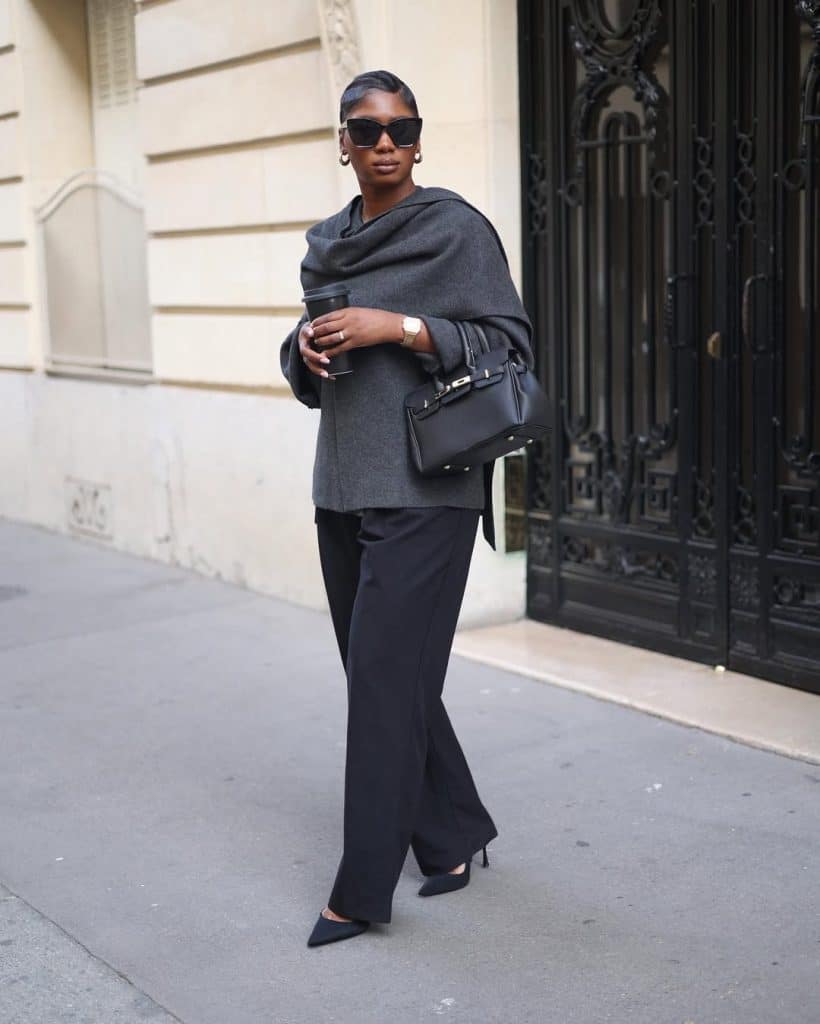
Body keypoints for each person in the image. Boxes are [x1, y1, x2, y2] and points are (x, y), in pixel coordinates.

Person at [280, 70, 535, 948]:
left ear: (419, 141)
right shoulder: (328, 244)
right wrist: (305, 346)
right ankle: (455, 833)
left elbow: (511, 348)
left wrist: (401, 327)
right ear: (343, 142)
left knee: (386, 684)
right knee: (385, 675)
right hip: (343, 485)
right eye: (366, 129)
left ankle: (358, 893)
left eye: (401, 128)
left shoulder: (455, 230)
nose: (384, 143)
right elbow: (305, 365)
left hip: (429, 486)